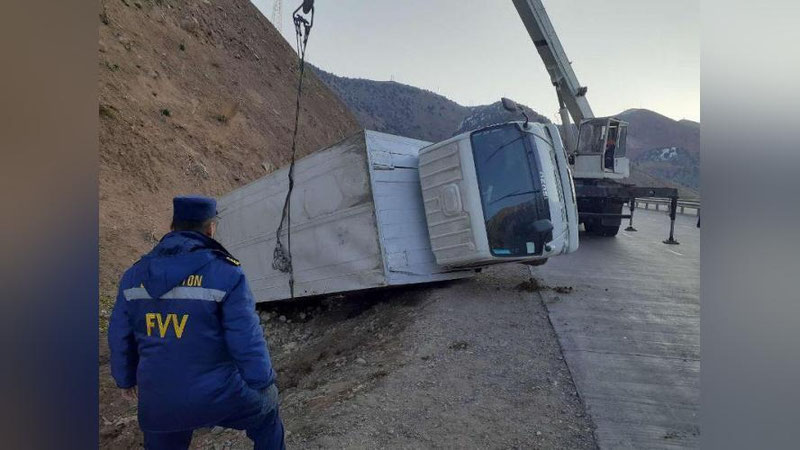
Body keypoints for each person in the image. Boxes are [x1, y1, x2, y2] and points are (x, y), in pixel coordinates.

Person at [108, 195, 284, 450]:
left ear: (172, 226)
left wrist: (124, 379)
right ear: (210, 228)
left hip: (159, 402)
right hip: (223, 395)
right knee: (267, 413)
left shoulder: (133, 276)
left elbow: (119, 335)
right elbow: (245, 338)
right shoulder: (226, 272)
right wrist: (263, 381)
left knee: (164, 433)